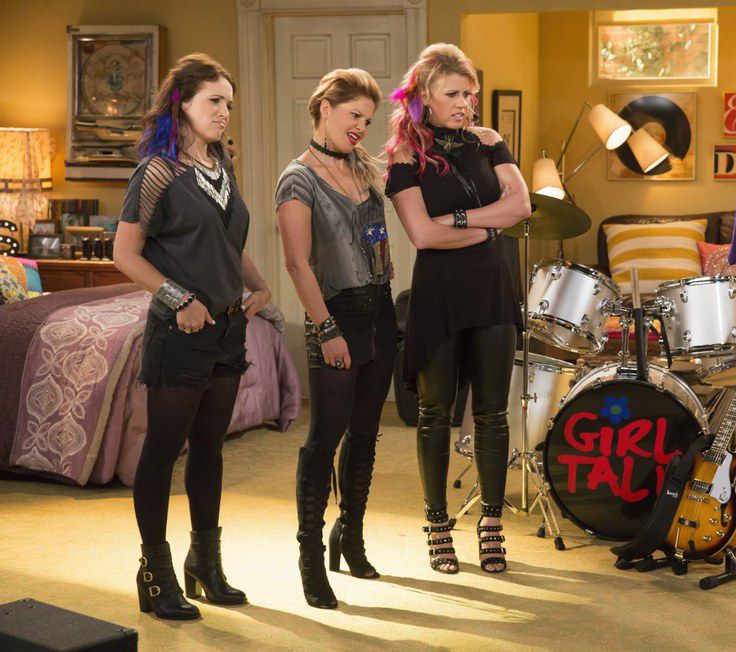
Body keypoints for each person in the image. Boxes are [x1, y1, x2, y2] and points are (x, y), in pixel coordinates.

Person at [115, 53, 271, 620]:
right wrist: (179, 299)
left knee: (209, 448)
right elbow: (125, 254)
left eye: (229, 102)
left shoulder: (221, 164)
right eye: (214, 101)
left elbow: (228, 244)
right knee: (163, 450)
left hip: (228, 329)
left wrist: (260, 286)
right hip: (179, 334)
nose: (225, 112)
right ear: (181, 103)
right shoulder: (157, 172)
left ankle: (205, 564)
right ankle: (155, 576)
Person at [384, 43, 530, 574]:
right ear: (425, 95)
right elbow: (422, 235)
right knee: (434, 413)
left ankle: (491, 522)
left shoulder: (489, 142)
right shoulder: (405, 155)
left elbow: (522, 206)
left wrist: (459, 221)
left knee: (492, 413)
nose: (465, 103)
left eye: (470, 93)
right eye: (453, 94)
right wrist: (489, 225)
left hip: (492, 287)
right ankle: (437, 524)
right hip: (439, 293)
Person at [276, 69, 396, 609]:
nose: (361, 128)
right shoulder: (297, 179)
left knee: (366, 434)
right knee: (325, 438)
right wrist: (325, 329)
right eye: (354, 116)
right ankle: (309, 554)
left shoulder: (365, 168)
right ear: (325, 108)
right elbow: (296, 263)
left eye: (368, 120)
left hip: (380, 312)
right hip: (335, 316)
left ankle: (350, 535)